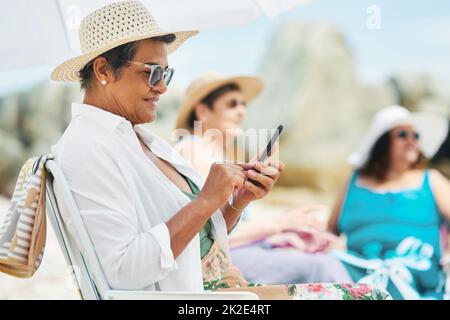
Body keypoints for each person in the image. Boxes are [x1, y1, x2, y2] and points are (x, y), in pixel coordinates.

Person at [50, 1, 389, 299]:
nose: (163, 86)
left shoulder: (136, 139)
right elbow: (124, 271)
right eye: (152, 72)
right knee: (370, 295)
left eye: (166, 72)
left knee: (371, 291)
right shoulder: (89, 148)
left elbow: (195, 243)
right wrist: (206, 200)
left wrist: (236, 202)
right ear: (104, 69)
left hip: (220, 287)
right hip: (201, 299)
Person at [173, 72, 354, 285]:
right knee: (323, 266)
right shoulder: (195, 149)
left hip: (235, 251)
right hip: (221, 257)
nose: (242, 111)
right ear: (203, 111)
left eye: (244, 104)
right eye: (232, 104)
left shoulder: (216, 156)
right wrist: (281, 223)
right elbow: (211, 232)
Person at [328, 105, 450, 299]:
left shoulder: (431, 180)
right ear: (383, 142)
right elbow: (331, 230)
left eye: (415, 136)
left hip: (415, 270)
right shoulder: (353, 181)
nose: (412, 141)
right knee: (321, 264)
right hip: (359, 269)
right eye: (403, 135)